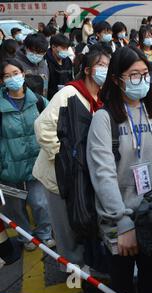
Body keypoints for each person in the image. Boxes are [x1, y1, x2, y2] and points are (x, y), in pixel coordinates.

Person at [86, 46, 152, 293]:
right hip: (120, 219)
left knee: (151, 280)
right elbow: (104, 175)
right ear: (116, 79)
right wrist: (122, 223)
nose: (142, 80)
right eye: (134, 75)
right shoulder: (104, 119)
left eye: (145, 74)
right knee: (121, 283)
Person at [33, 44, 111, 268]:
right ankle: (71, 270)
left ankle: (83, 264)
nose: (105, 70)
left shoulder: (102, 98)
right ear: (87, 69)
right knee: (65, 226)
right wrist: (65, 156)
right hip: (58, 175)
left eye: (108, 66)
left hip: (81, 174)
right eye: (100, 65)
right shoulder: (69, 93)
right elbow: (43, 128)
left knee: (79, 220)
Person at [0, 59, 54, 251]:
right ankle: (25, 238)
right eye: (7, 76)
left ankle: (45, 234)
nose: (13, 78)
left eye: (15, 73)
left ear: (23, 74)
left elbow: (53, 122)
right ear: (2, 81)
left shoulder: (38, 101)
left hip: (36, 165)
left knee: (40, 203)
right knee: (15, 208)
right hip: (8, 170)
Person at [45, 34, 73, 99]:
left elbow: (71, 78)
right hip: (50, 98)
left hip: (65, 96)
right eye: (63, 48)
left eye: (67, 48)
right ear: (53, 47)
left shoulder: (68, 60)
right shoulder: (46, 61)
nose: (65, 51)